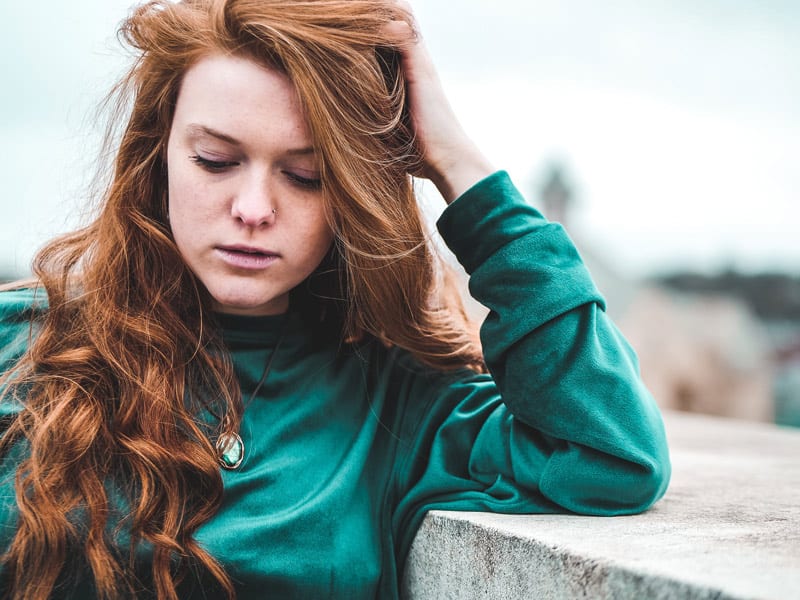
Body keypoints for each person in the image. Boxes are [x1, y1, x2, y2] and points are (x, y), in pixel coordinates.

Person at [0, 0, 670, 598]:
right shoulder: (21, 350)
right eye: (215, 160)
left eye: (305, 175)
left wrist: (458, 164)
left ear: (350, 192)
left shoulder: (399, 406)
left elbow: (613, 454)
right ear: (159, 156)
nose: (255, 208)